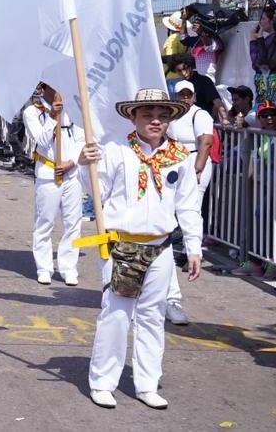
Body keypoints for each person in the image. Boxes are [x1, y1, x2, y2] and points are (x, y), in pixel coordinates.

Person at [78, 88, 203, 410]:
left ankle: (147, 384)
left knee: (152, 317)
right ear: (133, 117)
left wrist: (193, 248)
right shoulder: (116, 151)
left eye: (162, 115)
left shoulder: (180, 157)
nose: (155, 121)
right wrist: (83, 165)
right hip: (120, 244)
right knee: (116, 315)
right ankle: (103, 382)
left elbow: (188, 205)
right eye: (147, 114)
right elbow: (96, 192)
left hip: (160, 246)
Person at [164, 80, 215, 326]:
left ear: (194, 96)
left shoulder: (200, 114)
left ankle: (188, 251)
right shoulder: (170, 117)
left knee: (190, 208)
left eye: (188, 94)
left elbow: (206, 141)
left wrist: (197, 168)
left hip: (193, 162)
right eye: (180, 94)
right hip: (172, 162)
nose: (184, 98)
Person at [22, 83, 84, 286]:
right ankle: (44, 267)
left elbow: (82, 139)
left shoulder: (74, 108)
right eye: (52, 86)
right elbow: (40, 139)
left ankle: (68, 267)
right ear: (44, 89)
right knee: (44, 222)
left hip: (71, 173)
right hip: (48, 174)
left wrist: (72, 162)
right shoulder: (32, 112)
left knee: (73, 222)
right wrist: (52, 118)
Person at [171, 53, 227, 121]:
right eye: (179, 71)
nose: (183, 73)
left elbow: (217, 101)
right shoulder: (178, 85)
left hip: (205, 122)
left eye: (185, 68)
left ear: (191, 66)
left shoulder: (204, 81)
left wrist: (225, 119)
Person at [161, 13, 187, 95]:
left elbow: (171, 58)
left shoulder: (172, 39)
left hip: (172, 77)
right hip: (183, 75)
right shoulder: (184, 37)